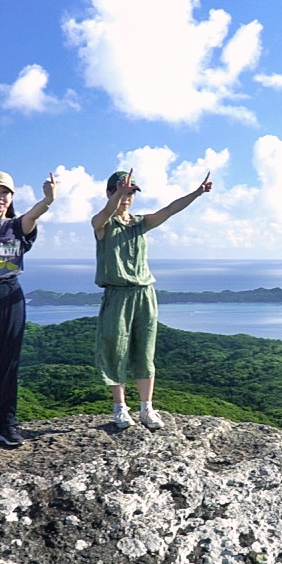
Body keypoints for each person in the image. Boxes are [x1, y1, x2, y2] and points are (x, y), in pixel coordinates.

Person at [91, 168, 213, 430]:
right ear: (110, 193)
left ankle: (146, 408)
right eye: (121, 192)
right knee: (116, 349)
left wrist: (197, 193)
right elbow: (103, 216)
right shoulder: (103, 225)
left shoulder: (140, 223)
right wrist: (117, 196)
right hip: (117, 294)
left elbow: (169, 210)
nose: (127, 197)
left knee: (145, 349)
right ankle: (120, 408)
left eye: (131, 192)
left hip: (145, 292)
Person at [0, 170, 56, 449]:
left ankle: (7, 422)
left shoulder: (16, 225)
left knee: (9, 362)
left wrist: (48, 199)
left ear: (11, 197)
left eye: (5, 193)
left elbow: (31, 217)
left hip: (13, 293)